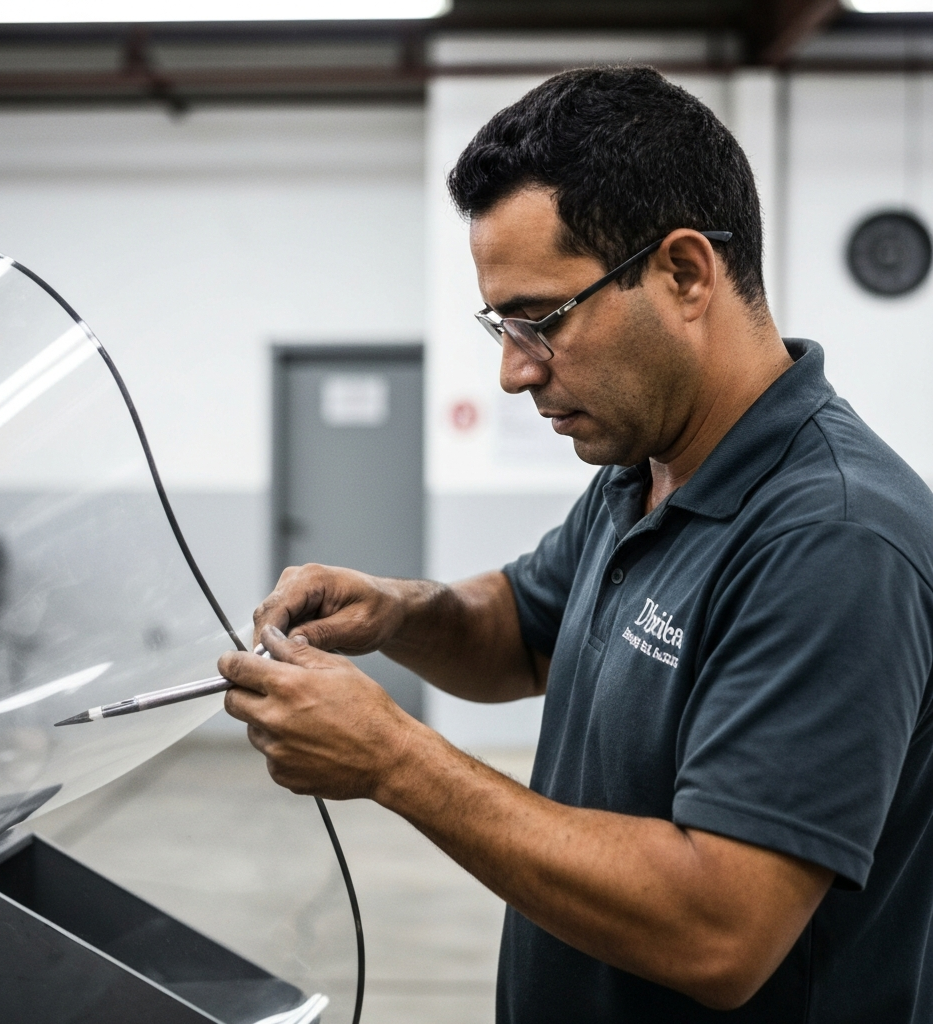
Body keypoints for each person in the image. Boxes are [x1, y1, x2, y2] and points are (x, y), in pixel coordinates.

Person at [219, 67, 933, 1022]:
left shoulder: (835, 541)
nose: (514, 371)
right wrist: (398, 610)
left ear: (684, 273)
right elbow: (524, 630)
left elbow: (719, 930)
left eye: (541, 320)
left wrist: (396, 758)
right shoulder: (644, 470)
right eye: (500, 324)